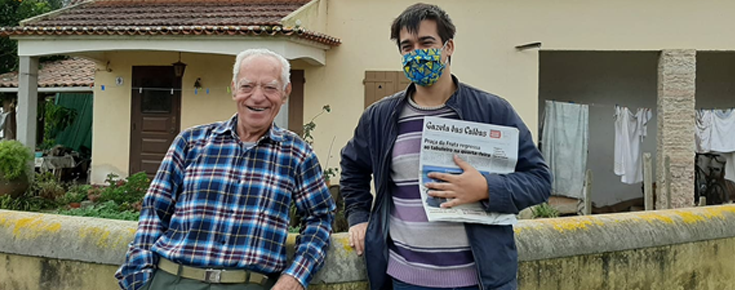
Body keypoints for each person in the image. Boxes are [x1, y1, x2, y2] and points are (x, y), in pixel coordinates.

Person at [340, 3, 552, 290]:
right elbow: (353, 167)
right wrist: (359, 216)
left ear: (448, 46)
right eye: (407, 46)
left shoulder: (493, 111)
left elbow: (539, 181)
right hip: (405, 280)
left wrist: (486, 188)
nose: (417, 53)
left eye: (426, 42)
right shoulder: (379, 117)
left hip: (482, 281)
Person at [115, 48, 335, 290]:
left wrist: (295, 277)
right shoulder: (191, 141)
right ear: (234, 89)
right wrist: (139, 279)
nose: (257, 97)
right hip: (173, 279)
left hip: (247, 283)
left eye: (270, 88)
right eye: (247, 86)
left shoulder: (297, 154)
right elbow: (155, 210)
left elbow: (320, 217)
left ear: (285, 93)